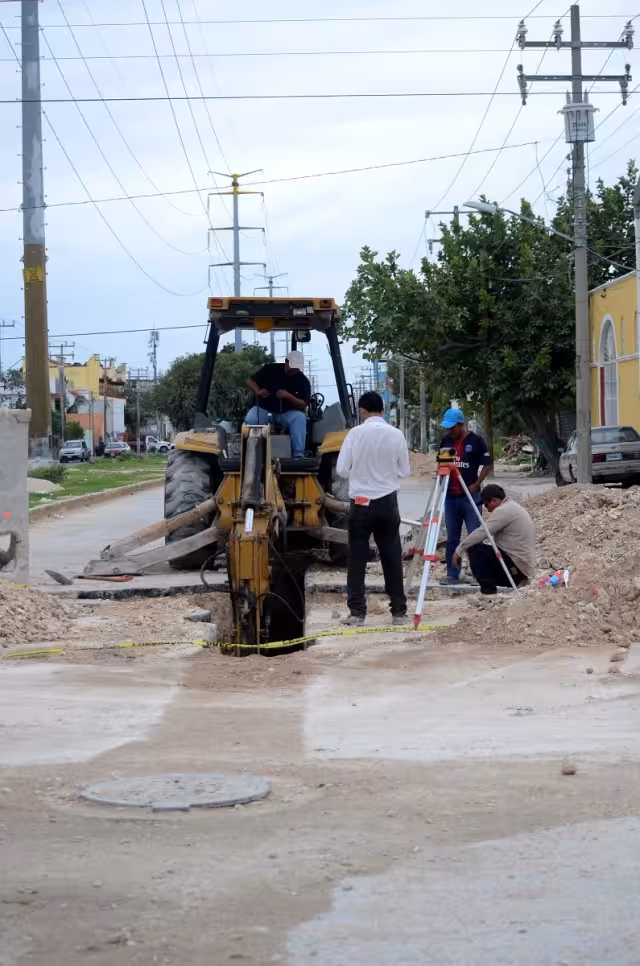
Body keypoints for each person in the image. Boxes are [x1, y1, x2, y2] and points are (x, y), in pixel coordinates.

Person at [336, 391, 410, 626]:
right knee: (391, 555)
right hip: (388, 501)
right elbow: (404, 471)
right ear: (382, 409)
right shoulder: (396, 434)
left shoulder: (355, 434)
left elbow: (341, 469)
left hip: (361, 503)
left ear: (363, 410)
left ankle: (357, 613)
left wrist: (359, 476)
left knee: (357, 557)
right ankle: (398, 612)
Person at [439, 407, 493, 585]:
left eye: (452, 427)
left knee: (474, 535)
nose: (449, 431)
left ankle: (479, 574)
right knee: (452, 537)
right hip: (451, 497)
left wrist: (476, 485)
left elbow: (486, 465)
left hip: (470, 497)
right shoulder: (446, 442)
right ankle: (453, 574)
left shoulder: (476, 442)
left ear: (461, 425)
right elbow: (443, 466)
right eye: (447, 428)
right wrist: (442, 483)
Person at [452, 483, 535, 595]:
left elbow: (482, 532)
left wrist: (459, 549)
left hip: (516, 569)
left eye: (486, 506)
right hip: (521, 566)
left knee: (476, 550)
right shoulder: (512, 506)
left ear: (493, 501)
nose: (488, 510)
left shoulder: (504, 510)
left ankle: (488, 592)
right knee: (482, 551)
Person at [246, 350, 311, 458]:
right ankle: (250, 453)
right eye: (293, 365)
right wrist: (258, 391)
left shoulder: (302, 380)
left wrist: (288, 396)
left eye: (298, 367)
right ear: (286, 362)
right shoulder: (270, 369)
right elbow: (250, 381)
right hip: (264, 410)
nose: (295, 369)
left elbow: (303, 404)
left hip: (286, 414)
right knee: (251, 418)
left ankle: (298, 455)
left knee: (299, 418)